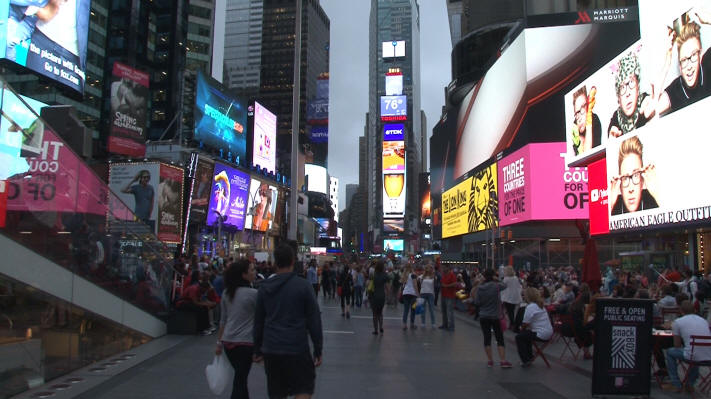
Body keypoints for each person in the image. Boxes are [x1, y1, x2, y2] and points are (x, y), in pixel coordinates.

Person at [253, 244, 323, 399]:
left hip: (271, 349)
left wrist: (257, 349)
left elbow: (258, 321)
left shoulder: (264, 288)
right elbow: (314, 320)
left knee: (277, 393)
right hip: (296, 347)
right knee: (304, 388)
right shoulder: (303, 286)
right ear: (293, 261)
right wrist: (318, 349)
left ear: (275, 262)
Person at [215, 260, 257, 399]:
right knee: (240, 379)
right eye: (251, 270)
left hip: (228, 343)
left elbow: (223, 321)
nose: (254, 272)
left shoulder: (227, 293)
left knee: (240, 377)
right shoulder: (253, 294)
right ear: (244, 275)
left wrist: (219, 343)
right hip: (245, 343)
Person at [657, 14, 711, 116]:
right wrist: (667, 61)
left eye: (693, 55)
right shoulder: (676, 88)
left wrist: (709, 19)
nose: (689, 66)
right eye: (684, 60)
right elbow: (651, 111)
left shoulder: (708, 63)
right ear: (680, 65)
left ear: (701, 54)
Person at [662, 300, 711, 392]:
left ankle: (675, 383)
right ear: (694, 310)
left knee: (670, 352)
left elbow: (677, 345)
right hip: (708, 355)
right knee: (694, 352)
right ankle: (690, 383)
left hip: (693, 355)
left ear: (681, 311)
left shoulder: (678, 322)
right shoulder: (703, 321)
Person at [608, 49, 655, 138]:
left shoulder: (646, 102)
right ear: (618, 98)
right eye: (622, 87)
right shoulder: (616, 119)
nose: (627, 93)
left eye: (631, 83)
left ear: (638, 88)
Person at [609, 136, 659, 215]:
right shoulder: (614, 207)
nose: (631, 189)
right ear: (620, 185)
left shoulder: (652, 202)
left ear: (642, 181)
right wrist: (610, 205)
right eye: (625, 178)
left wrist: (657, 195)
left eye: (635, 175)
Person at [474, 268, 512, 368]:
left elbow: (477, 302)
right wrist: (497, 279)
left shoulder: (480, 288)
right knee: (499, 338)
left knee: (487, 338)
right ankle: (503, 360)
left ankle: (490, 360)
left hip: (484, 315)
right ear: (493, 276)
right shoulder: (496, 286)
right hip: (495, 316)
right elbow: (505, 285)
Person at [516, 287, 554, 367]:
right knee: (526, 334)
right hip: (548, 331)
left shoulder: (531, 307)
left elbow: (525, 323)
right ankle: (529, 356)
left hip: (541, 333)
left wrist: (520, 328)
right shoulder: (540, 305)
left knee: (519, 337)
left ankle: (525, 360)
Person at [570, 85, 602, 155]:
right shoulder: (575, 126)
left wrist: (589, 123)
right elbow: (583, 155)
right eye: (576, 113)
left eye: (582, 110)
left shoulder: (594, 119)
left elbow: (589, 154)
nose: (579, 118)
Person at [500, 266, 522, 330]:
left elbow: (502, 286)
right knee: (512, 311)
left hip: (508, 297)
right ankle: (512, 323)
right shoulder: (515, 278)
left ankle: (512, 324)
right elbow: (519, 286)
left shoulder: (506, 278)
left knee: (509, 311)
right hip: (515, 296)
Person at [370, 260, 389, 335]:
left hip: (374, 295)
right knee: (380, 313)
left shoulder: (373, 275)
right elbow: (388, 287)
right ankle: (381, 327)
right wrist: (388, 295)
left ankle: (376, 330)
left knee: (374, 314)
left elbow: (368, 283)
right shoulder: (385, 275)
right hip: (382, 295)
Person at [400, 264, 420, 330]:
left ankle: (404, 325)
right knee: (413, 309)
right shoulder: (413, 275)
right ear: (411, 267)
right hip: (413, 294)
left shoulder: (404, 275)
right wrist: (418, 294)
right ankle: (412, 324)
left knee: (406, 310)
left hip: (405, 293)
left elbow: (402, 284)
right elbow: (415, 285)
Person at [439, 263, 457, 331]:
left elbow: (455, 283)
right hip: (443, 295)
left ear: (447, 267)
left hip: (450, 296)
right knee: (444, 311)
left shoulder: (452, 275)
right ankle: (445, 324)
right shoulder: (443, 275)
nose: (442, 269)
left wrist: (446, 286)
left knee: (449, 311)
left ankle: (451, 326)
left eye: (444, 267)